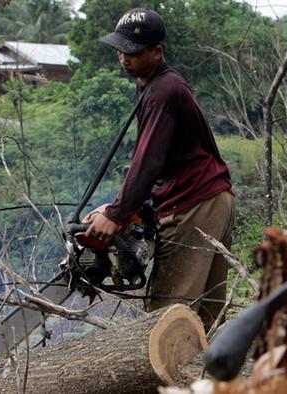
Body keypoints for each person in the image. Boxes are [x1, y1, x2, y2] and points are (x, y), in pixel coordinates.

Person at [82, 7, 236, 330]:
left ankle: (167, 380)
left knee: (165, 318)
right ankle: (205, 377)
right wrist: (117, 207)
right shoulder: (151, 84)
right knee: (205, 316)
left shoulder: (164, 91)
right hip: (212, 198)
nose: (124, 59)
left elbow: (148, 162)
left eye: (133, 53)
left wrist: (115, 215)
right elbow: (155, 160)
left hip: (194, 204)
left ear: (157, 51)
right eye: (120, 51)